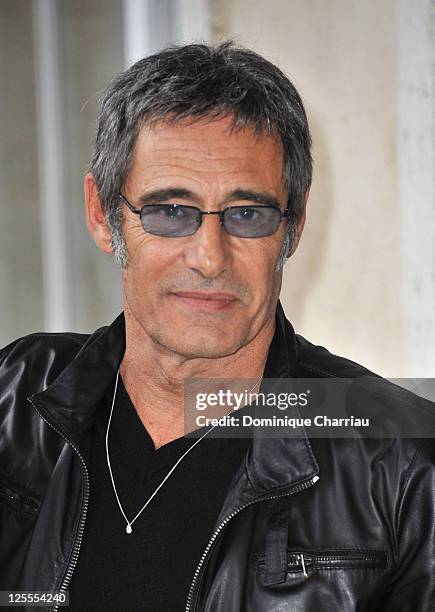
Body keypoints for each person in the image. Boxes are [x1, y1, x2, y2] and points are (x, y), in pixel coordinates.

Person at [0, 41, 434, 612]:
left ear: (293, 227)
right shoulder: (14, 394)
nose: (209, 256)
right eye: (170, 210)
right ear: (103, 216)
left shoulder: (405, 464)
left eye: (247, 214)